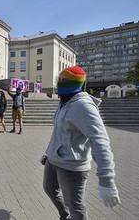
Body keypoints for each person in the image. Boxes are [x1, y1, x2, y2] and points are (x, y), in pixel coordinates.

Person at [42, 66, 121, 220]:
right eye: (59, 80)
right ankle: (65, 216)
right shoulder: (65, 102)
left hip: (72, 166)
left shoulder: (83, 105)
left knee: (76, 206)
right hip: (53, 160)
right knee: (50, 189)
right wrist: (49, 152)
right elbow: (59, 133)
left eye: (64, 80)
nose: (59, 83)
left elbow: (100, 141)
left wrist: (107, 179)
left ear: (75, 83)